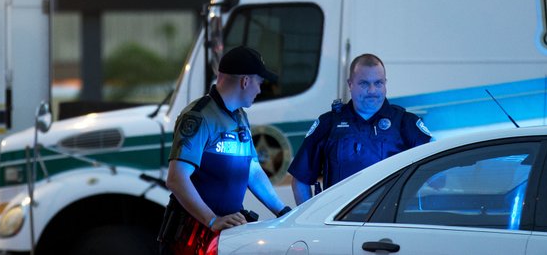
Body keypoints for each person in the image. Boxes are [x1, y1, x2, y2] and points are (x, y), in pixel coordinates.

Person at [158, 46, 291, 254]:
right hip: (191, 239)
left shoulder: (239, 116)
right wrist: (212, 220)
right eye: (259, 83)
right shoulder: (199, 116)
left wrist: (283, 212)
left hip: (223, 237)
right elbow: (176, 178)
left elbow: (252, 170)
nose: (259, 90)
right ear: (245, 81)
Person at [288, 53, 432, 205]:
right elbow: (300, 180)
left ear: (385, 83)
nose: (372, 91)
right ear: (350, 84)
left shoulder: (406, 123)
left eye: (378, 83)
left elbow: (438, 178)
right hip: (338, 222)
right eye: (364, 84)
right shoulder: (328, 123)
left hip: (388, 223)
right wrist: (310, 222)